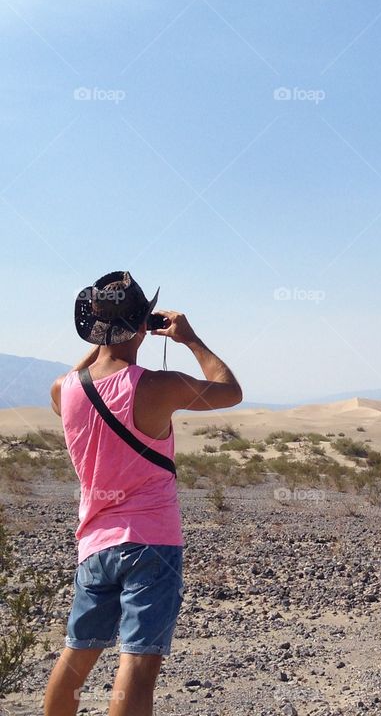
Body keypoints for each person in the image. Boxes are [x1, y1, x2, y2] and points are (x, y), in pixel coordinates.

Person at [44, 271, 242, 716]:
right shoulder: (157, 384)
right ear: (141, 325)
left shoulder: (63, 389)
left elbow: (82, 376)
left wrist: (110, 334)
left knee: (78, 655)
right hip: (152, 539)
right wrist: (191, 339)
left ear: (93, 328)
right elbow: (231, 391)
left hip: (94, 542)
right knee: (137, 663)